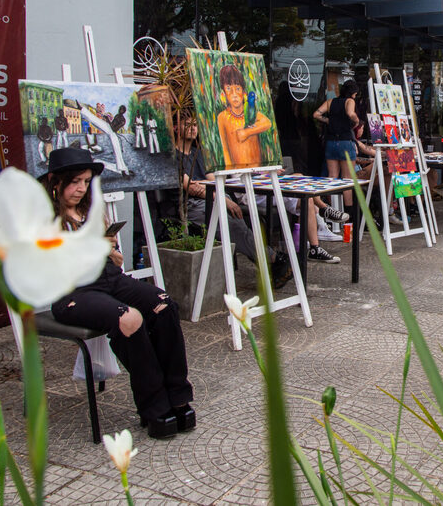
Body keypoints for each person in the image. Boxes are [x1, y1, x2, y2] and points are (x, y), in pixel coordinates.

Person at [44, 148, 194, 440]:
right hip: (72, 291)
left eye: (86, 182)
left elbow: (110, 257)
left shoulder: (89, 210)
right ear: (55, 181)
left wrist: (111, 251)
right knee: (129, 319)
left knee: (164, 305)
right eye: (74, 182)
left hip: (109, 279)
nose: (81, 189)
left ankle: (177, 395)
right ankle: (154, 405)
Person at [174, 117, 296, 287]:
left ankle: (271, 262)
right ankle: (273, 259)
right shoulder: (173, 157)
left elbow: (213, 181)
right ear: (175, 127)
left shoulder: (198, 154)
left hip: (215, 198)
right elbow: (191, 188)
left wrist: (215, 193)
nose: (192, 128)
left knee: (238, 223)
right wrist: (219, 196)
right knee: (233, 226)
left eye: (195, 125)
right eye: (187, 124)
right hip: (193, 206)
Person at [314, 79, 361, 207]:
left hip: (331, 142)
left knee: (332, 177)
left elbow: (316, 114)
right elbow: (350, 113)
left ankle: (333, 210)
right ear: (353, 93)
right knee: (347, 179)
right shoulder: (349, 101)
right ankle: (348, 211)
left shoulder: (331, 102)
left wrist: (329, 121)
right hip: (345, 141)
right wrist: (357, 121)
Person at [216, 64, 273, 169]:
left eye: (237, 88)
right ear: (223, 94)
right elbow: (225, 150)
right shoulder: (222, 117)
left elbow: (267, 123)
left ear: (244, 93)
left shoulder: (250, 112)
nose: (234, 94)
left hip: (258, 170)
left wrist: (246, 132)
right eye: (228, 88)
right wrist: (229, 172)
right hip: (237, 173)